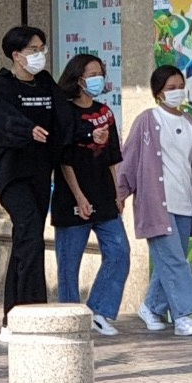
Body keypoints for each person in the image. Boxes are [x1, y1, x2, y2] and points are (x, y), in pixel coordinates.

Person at [118, 65, 192, 336]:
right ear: (158, 93)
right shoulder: (147, 120)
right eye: (170, 88)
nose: (177, 92)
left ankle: (151, 306)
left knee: (173, 259)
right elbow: (129, 159)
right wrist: (119, 193)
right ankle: (184, 316)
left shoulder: (190, 124)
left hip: (185, 203)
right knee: (174, 261)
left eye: (179, 86)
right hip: (156, 205)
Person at [0, 25, 68, 342]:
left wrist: (88, 134)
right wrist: (27, 130)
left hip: (39, 171)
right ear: (17, 54)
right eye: (33, 49)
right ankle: (17, 317)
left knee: (29, 237)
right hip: (12, 174)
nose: (39, 55)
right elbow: (5, 118)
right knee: (29, 230)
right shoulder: (2, 86)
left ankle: (24, 314)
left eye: (42, 48)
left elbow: (63, 116)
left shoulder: (46, 84)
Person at [51, 54, 130, 336]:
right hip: (73, 198)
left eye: (101, 72)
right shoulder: (65, 112)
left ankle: (99, 311)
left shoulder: (105, 112)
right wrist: (79, 197)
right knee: (69, 264)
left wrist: (118, 192)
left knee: (120, 252)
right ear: (78, 78)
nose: (98, 78)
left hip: (105, 196)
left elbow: (113, 157)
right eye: (92, 73)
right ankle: (71, 318)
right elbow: (64, 160)